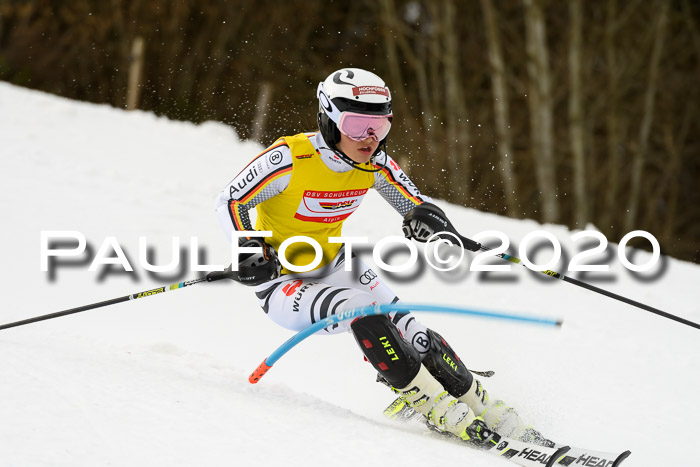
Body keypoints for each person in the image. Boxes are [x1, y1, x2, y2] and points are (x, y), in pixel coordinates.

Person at [215, 68, 550, 447]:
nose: (369, 138)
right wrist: (248, 250)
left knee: (415, 334)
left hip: (339, 267)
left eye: (380, 125)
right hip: (284, 282)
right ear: (328, 117)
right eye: (358, 124)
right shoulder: (290, 159)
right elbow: (230, 200)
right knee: (362, 309)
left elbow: (414, 206)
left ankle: (486, 409)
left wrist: (433, 224)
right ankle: (431, 404)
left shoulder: (374, 165)